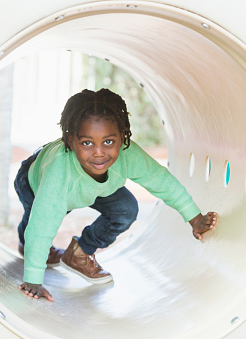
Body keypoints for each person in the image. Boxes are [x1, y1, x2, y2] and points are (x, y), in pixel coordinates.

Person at [15, 88, 217, 301]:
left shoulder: (128, 155)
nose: (99, 152)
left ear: (122, 137)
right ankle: (24, 244)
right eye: (87, 143)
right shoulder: (58, 172)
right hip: (34, 182)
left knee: (125, 209)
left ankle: (79, 252)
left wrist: (195, 218)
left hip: (95, 187)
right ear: (71, 140)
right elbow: (42, 224)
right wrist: (33, 280)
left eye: (108, 142)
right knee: (35, 222)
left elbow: (163, 183)